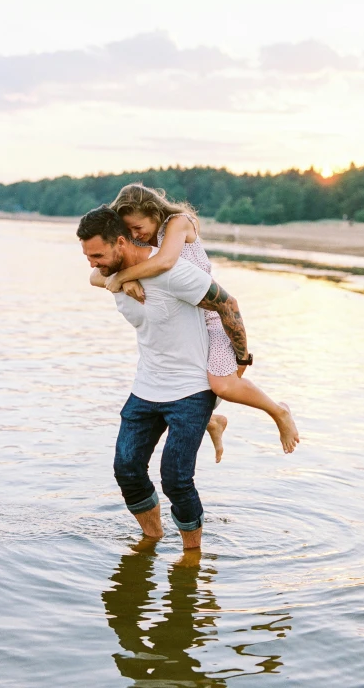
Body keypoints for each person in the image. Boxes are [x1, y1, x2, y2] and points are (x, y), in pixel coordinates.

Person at [77, 205, 252, 550]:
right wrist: (121, 279)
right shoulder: (113, 275)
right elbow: (95, 277)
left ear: (122, 242)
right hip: (146, 387)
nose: (91, 263)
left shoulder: (171, 271)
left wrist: (241, 358)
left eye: (96, 254)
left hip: (190, 389)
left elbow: (228, 304)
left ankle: (192, 555)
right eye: (87, 256)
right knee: (127, 470)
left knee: (175, 479)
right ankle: (152, 539)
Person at [101, 183, 298, 460]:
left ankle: (279, 411)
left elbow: (167, 261)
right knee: (183, 386)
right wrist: (124, 276)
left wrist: (123, 277)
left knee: (222, 385)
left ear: (154, 211)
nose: (134, 235)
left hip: (211, 317)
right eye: (128, 231)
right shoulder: (142, 243)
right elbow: (98, 275)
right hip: (183, 321)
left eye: (137, 227)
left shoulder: (179, 222)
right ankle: (212, 422)